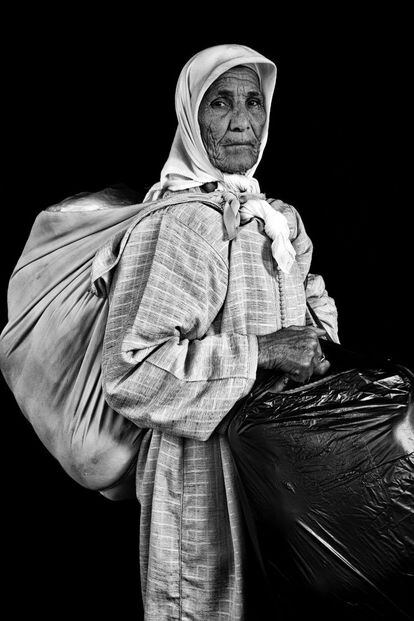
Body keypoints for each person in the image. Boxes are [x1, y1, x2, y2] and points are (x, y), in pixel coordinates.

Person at [102, 44, 338, 620]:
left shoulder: (277, 219)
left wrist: (315, 349)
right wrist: (260, 352)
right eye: (221, 102)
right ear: (190, 115)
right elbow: (131, 369)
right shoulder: (181, 225)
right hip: (201, 478)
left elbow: (315, 319)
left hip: (276, 473)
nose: (242, 120)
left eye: (254, 101)